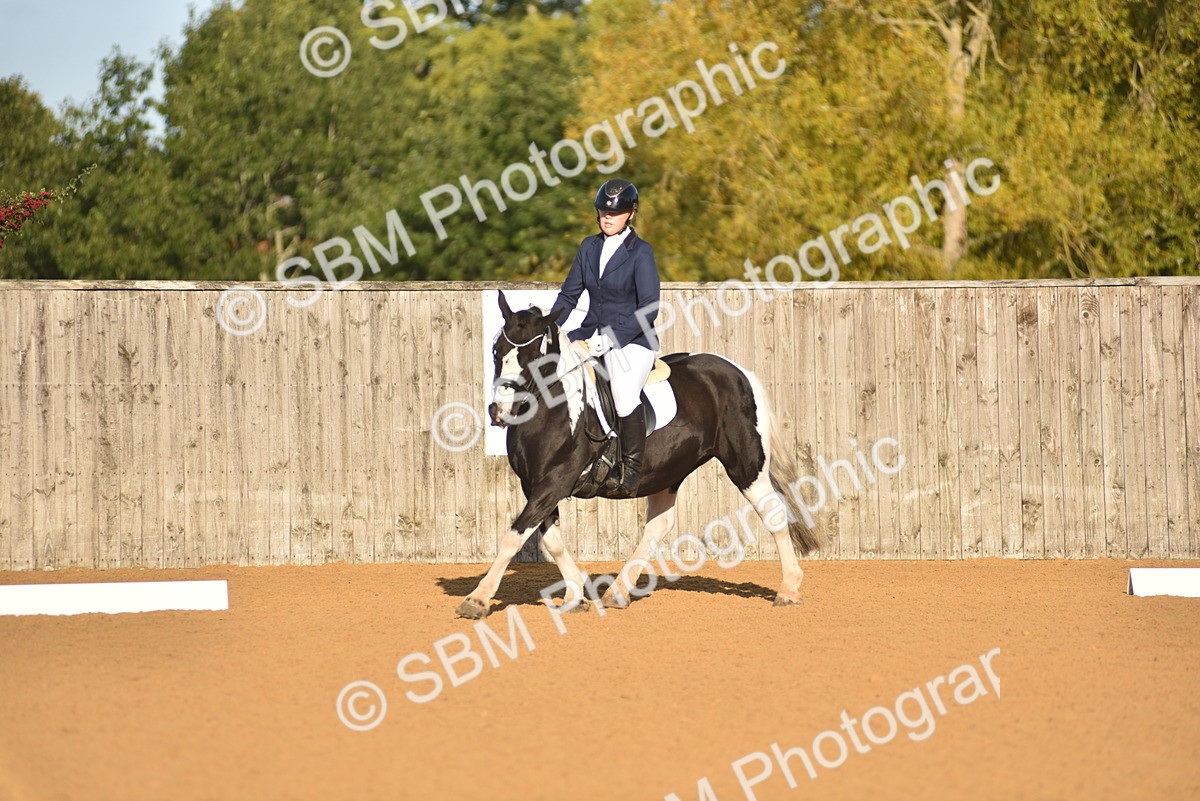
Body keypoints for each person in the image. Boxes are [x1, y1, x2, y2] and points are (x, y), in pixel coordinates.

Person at [548, 178, 661, 498]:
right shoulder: (588, 247)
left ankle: (631, 468)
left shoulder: (641, 253)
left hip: (633, 340)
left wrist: (611, 338)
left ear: (631, 214)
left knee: (624, 392)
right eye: (603, 213)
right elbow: (568, 297)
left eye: (617, 212)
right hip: (589, 333)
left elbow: (649, 307)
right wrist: (550, 326)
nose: (608, 218)